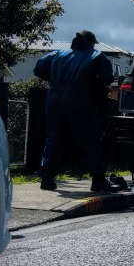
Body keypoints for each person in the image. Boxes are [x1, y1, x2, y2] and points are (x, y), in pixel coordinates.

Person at [34, 30, 118, 192]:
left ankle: (47, 179)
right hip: (79, 97)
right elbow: (108, 80)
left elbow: (38, 68)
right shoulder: (97, 56)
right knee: (89, 139)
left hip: (54, 97)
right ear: (91, 42)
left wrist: (54, 80)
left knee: (53, 138)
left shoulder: (59, 53)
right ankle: (98, 179)